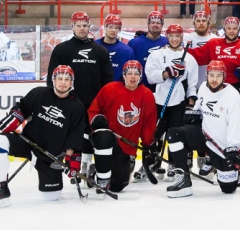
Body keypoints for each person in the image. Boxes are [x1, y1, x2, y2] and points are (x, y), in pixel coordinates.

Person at [0, 66, 86, 209]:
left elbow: (75, 137)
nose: (63, 82)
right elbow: (22, 108)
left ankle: (50, 183)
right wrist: (15, 118)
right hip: (27, 142)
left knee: (51, 196)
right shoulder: (39, 93)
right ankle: (1, 187)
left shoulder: (77, 107)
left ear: (72, 82)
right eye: (59, 78)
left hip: (49, 156)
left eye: (67, 79)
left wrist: (72, 160)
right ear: (53, 80)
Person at [47, 11, 113, 179]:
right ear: (72, 27)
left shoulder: (100, 51)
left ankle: (89, 165)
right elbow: (51, 78)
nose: (82, 29)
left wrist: (105, 102)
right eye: (79, 25)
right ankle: (75, 164)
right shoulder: (62, 50)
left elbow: (108, 81)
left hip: (94, 104)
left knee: (93, 135)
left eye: (85, 25)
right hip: (70, 103)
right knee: (74, 136)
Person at [165, 60, 240, 197]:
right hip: (203, 136)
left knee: (228, 188)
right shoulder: (203, 87)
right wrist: (194, 113)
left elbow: (236, 124)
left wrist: (233, 147)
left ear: (224, 77)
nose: (214, 79)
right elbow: (199, 106)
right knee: (174, 134)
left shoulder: (232, 95)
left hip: (221, 146)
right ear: (206, 75)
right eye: (211, 75)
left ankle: (232, 173)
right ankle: (184, 181)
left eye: (218, 75)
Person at [136, 24, 199, 182]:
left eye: (177, 36)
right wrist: (166, 73)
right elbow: (150, 76)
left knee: (175, 134)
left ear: (181, 37)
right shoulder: (157, 54)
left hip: (178, 102)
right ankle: (149, 162)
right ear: (167, 37)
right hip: (158, 100)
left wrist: (191, 102)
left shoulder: (189, 59)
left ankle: (174, 164)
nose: (174, 39)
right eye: (171, 36)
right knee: (152, 134)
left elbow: (192, 84)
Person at [86, 60, 158, 195]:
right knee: (105, 141)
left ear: (140, 76)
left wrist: (149, 144)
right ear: (123, 75)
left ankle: (96, 169)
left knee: (118, 185)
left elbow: (149, 122)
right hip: (108, 141)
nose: (132, 77)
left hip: (127, 146)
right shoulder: (109, 89)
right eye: (129, 73)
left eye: (136, 73)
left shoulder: (146, 94)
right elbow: (93, 110)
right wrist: (97, 121)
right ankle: (100, 174)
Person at [187, 16, 240, 113]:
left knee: (238, 121)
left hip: (237, 88)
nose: (231, 31)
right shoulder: (213, 43)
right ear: (224, 29)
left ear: (239, 29)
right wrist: (179, 50)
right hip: (215, 87)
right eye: (229, 28)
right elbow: (197, 55)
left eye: (234, 28)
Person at [183, 10, 219, 177]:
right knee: (189, 124)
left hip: (209, 89)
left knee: (208, 124)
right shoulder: (185, 39)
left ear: (209, 22)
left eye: (204, 20)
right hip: (189, 88)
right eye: (198, 20)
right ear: (194, 22)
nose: (201, 23)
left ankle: (204, 157)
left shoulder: (214, 40)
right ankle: (188, 156)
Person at [128, 10, 169, 89]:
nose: (155, 25)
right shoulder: (134, 43)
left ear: (162, 25)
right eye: (153, 22)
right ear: (148, 24)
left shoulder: (167, 42)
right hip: (139, 88)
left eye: (158, 23)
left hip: (162, 89)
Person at [95, 14, 134, 82]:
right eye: (111, 27)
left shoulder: (127, 51)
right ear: (105, 27)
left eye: (116, 28)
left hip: (118, 90)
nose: (113, 30)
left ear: (119, 30)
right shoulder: (94, 46)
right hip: (97, 89)